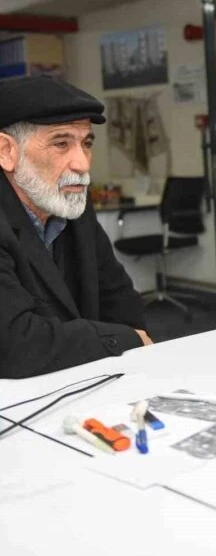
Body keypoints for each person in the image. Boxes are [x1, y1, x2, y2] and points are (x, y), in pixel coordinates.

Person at [0, 75, 152, 379]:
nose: (81, 164)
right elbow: (15, 345)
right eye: (61, 143)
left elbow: (122, 303)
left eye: (86, 143)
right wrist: (126, 339)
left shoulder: (73, 209)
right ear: (6, 152)